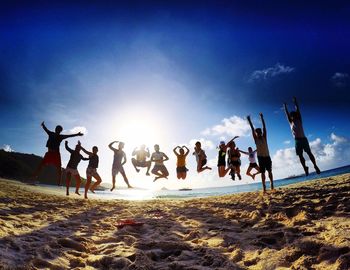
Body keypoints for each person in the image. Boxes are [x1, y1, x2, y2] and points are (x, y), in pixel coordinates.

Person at [284, 97, 321, 176]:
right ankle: (305, 168)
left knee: (309, 153)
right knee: (300, 156)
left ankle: (315, 165)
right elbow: (287, 114)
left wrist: (295, 102)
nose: (293, 117)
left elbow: (298, 110)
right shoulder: (291, 123)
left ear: (296, 116)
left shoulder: (299, 119)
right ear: (291, 117)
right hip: (297, 141)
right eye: (292, 116)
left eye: (294, 115)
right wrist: (285, 107)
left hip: (304, 139)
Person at [247, 113, 274, 192]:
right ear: (256, 133)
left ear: (261, 132)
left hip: (267, 156)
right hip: (260, 157)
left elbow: (264, 127)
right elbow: (252, 129)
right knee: (262, 172)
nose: (258, 133)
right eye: (257, 132)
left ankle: (272, 183)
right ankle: (264, 187)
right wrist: (249, 121)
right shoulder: (256, 139)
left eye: (259, 132)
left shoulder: (264, 137)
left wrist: (262, 118)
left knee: (269, 171)